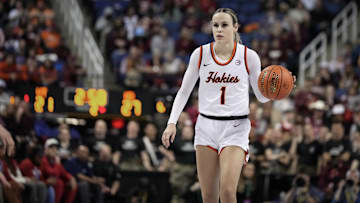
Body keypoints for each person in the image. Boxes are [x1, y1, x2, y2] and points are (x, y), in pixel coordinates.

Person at [162, 8, 295, 203]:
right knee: (208, 196)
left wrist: (277, 89)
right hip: (205, 126)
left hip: (236, 127)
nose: (219, 29)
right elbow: (183, 92)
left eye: (224, 25)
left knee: (226, 192)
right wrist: (172, 122)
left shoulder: (249, 57)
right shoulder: (200, 55)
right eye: (215, 25)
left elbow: (261, 96)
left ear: (235, 27)